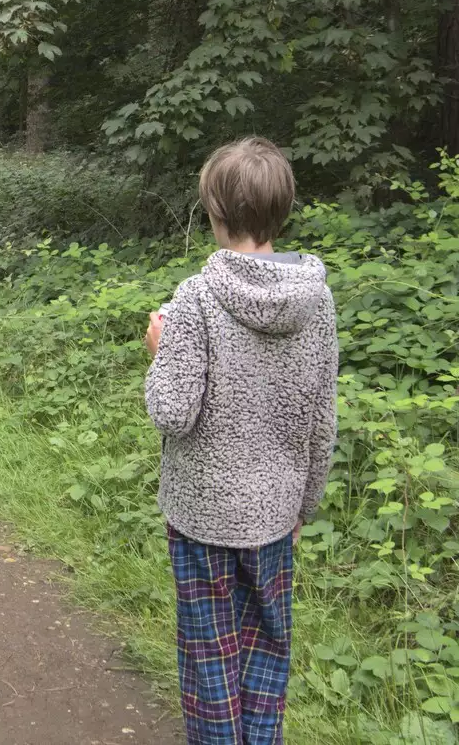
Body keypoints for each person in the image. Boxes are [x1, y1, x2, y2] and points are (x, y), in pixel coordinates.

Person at [143, 136, 339, 745]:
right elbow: (321, 418)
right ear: (281, 211)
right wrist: (305, 505)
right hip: (277, 513)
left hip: (203, 513)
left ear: (214, 212)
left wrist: (159, 352)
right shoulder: (319, 300)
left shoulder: (198, 298)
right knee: (267, 648)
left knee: (211, 657)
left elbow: (172, 412)